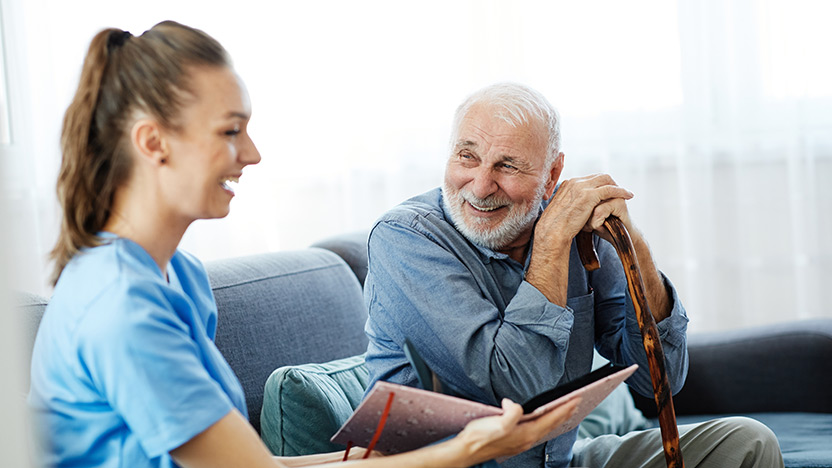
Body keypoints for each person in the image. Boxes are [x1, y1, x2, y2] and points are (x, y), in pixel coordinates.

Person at [27, 23, 580, 468]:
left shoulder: (180, 278)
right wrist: (469, 449)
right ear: (153, 143)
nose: (252, 153)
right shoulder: (122, 307)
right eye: (229, 130)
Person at [362, 82, 784, 468]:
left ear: (550, 176)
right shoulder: (406, 240)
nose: (481, 184)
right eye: (467, 156)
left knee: (746, 442)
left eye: (507, 165)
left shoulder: (575, 231)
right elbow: (516, 390)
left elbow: (664, 378)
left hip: (560, 462)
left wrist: (632, 241)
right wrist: (550, 243)